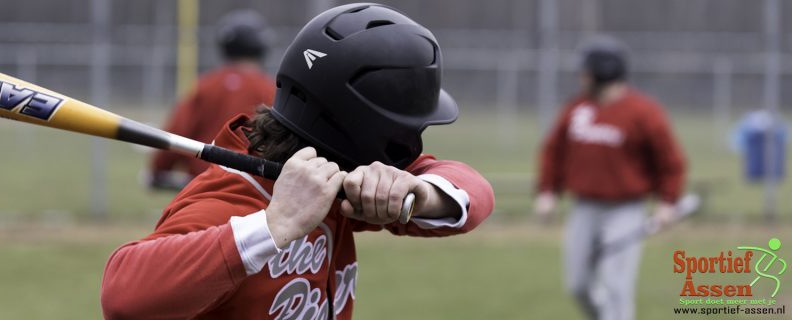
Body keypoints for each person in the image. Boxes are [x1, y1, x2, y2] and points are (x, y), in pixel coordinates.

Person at [102, 4, 495, 319]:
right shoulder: (230, 202)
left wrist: (420, 192)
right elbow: (122, 296)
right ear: (361, 128)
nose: (413, 145)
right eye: (406, 131)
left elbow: (477, 195)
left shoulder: (336, 185)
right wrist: (273, 226)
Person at [533, 35, 687, 320]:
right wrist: (547, 192)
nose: (582, 76)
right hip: (584, 208)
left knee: (617, 285)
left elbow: (671, 162)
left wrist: (667, 202)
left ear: (604, 71)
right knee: (578, 284)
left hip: (625, 209)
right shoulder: (577, 108)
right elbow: (553, 152)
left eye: (587, 70)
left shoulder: (643, 112)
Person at [148, 10, 276, 190]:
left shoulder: (206, 85)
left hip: (203, 185)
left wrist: (159, 170)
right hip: (253, 187)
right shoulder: (269, 88)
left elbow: (179, 131)